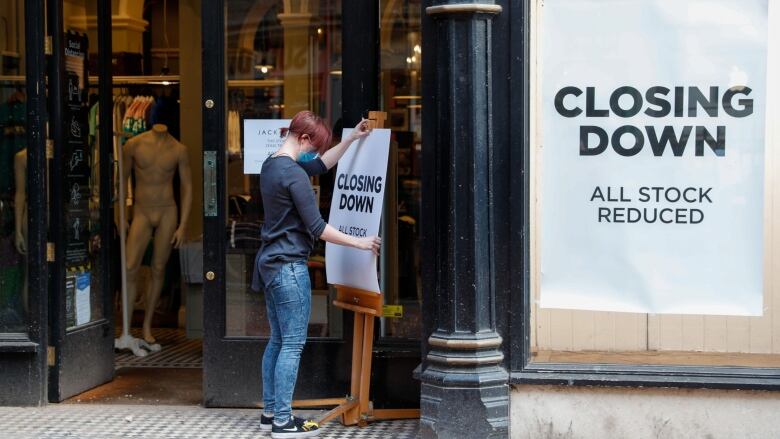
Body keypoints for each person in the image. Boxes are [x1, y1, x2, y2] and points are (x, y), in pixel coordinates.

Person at [252, 111, 381, 438]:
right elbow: (317, 227)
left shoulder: (272, 164)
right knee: (292, 345)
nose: (315, 152)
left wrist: (351, 138)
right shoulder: (293, 175)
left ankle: (270, 414)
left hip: (269, 263)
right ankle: (282, 421)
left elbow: (321, 164)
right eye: (315, 145)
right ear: (305, 139)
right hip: (289, 267)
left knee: (277, 341)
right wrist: (360, 242)